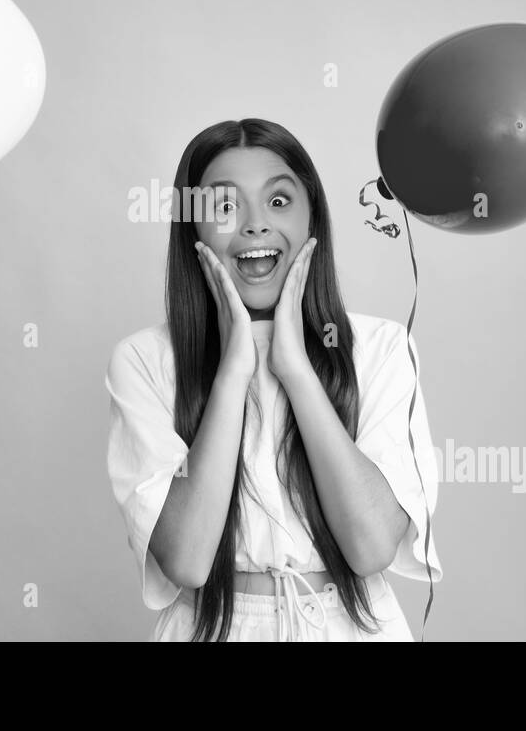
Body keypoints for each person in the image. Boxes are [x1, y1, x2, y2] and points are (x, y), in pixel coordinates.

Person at [105, 118, 442, 641]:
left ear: (313, 220)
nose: (255, 224)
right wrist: (234, 369)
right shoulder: (144, 359)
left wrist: (295, 369)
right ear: (191, 229)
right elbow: (189, 559)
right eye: (224, 206)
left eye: (279, 201)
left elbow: (371, 545)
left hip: (349, 625)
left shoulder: (381, 348)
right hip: (214, 627)